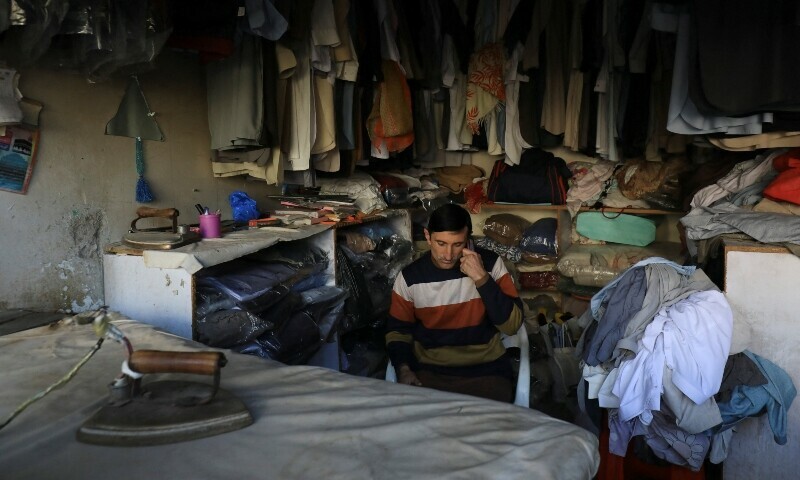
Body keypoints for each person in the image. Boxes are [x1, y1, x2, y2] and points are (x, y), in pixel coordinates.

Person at [385, 203, 523, 403]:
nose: (448, 255)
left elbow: (511, 326)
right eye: (441, 243)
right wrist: (404, 369)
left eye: (457, 244)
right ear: (427, 236)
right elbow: (398, 331)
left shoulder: (491, 264)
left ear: (468, 240)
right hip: (430, 372)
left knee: (492, 428)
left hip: (487, 369)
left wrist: (482, 278)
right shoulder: (410, 278)